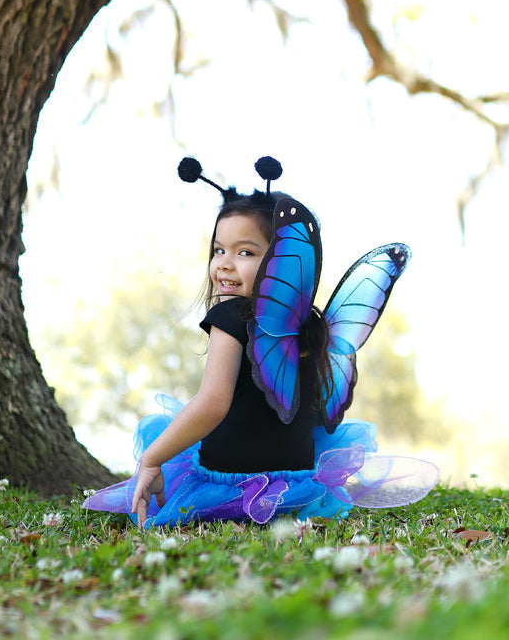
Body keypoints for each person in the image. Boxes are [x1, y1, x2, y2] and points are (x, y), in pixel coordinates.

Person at [83, 157, 439, 528]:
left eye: (245, 253)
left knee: (174, 444)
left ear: (280, 260)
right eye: (219, 250)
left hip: (228, 483)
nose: (224, 263)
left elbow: (212, 404)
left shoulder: (230, 317)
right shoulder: (310, 328)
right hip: (297, 484)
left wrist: (153, 458)